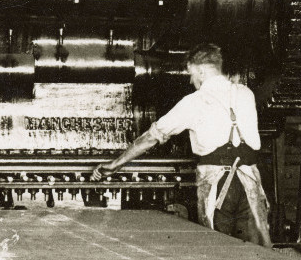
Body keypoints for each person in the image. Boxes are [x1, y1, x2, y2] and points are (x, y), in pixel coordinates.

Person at [91, 43, 273, 246]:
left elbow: (151, 137)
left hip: (219, 186)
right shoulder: (245, 93)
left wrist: (115, 164)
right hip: (250, 183)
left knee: (220, 252)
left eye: (191, 73)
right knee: (257, 253)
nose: (190, 79)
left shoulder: (194, 101)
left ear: (201, 71)